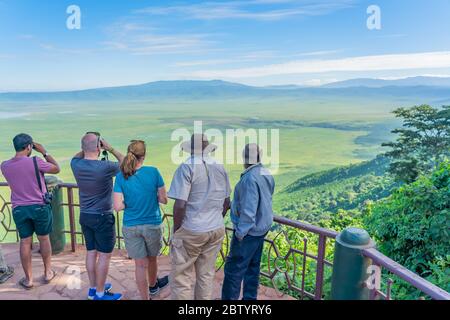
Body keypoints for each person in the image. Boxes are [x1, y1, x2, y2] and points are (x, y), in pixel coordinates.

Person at [168, 133, 231, 300]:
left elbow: (180, 205)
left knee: (182, 278)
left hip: (192, 230)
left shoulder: (186, 167)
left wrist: (177, 231)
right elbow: (227, 202)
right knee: (206, 275)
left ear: (190, 150)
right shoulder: (220, 166)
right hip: (216, 228)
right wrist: (217, 218)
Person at [0, 133, 60, 290]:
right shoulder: (36, 161)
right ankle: (47, 273)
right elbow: (56, 169)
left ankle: (29, 280)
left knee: (25, 242)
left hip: (19, 209)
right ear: (29, 147)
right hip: (39, 207)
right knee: (44, 239)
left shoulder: (4, 165)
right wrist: (44, 152)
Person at [113, 140, 169, 300]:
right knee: (152, 259)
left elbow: (117, 206)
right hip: (152, 224)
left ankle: (144, 297)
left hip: (131, 226)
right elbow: (164, 199)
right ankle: (153, 287)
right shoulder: (153, 172)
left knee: (139, 265)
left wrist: (129, 202)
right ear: (144, 155)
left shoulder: (121, 176)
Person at [71, 132, 124, 300]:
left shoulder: (76, 164)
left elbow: (79, 155)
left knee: (91, 252)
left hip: (85, 215)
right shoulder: (106, 167)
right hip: (102, 217)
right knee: (104, 256)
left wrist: (87, 147)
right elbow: (126, 163)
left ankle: (93, 288)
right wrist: (110, 148)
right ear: (99, 147)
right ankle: (100, 293)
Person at [222, 144, 275, 300]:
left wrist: (240, 234)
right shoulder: (265, 172)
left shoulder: (249, 179)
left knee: (234, 272)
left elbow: (248, 211)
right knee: (253, 268)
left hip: (249, 232)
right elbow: (268, 194)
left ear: (244, 158)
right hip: (261, 229)